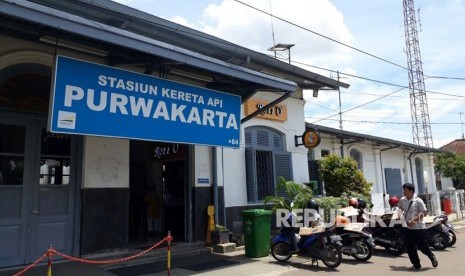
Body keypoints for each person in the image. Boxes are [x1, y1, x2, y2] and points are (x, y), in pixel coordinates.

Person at [398, 183, 438, 270]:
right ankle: (416, 265)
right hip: (407, 228)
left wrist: (413, 221)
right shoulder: (402, 200)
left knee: (422, 247)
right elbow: (400, 208)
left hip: (419, 228)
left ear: (411, 191)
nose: (404, 192)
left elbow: (424, 212)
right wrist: (400, 216)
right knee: (410, 247)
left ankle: (432, 257)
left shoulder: (418, 201)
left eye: (405, 190)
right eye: (403, 190)